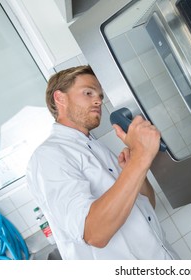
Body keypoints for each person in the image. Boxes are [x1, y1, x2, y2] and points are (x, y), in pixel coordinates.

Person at [26, 65, 179, 260]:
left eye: (100, 95)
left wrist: (135, 167)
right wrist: (140, 158)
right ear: (60, 98)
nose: (98, 100)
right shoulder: (49, 157)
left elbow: (148, 205)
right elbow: (94, 233)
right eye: (88, 93)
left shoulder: (96, 148)